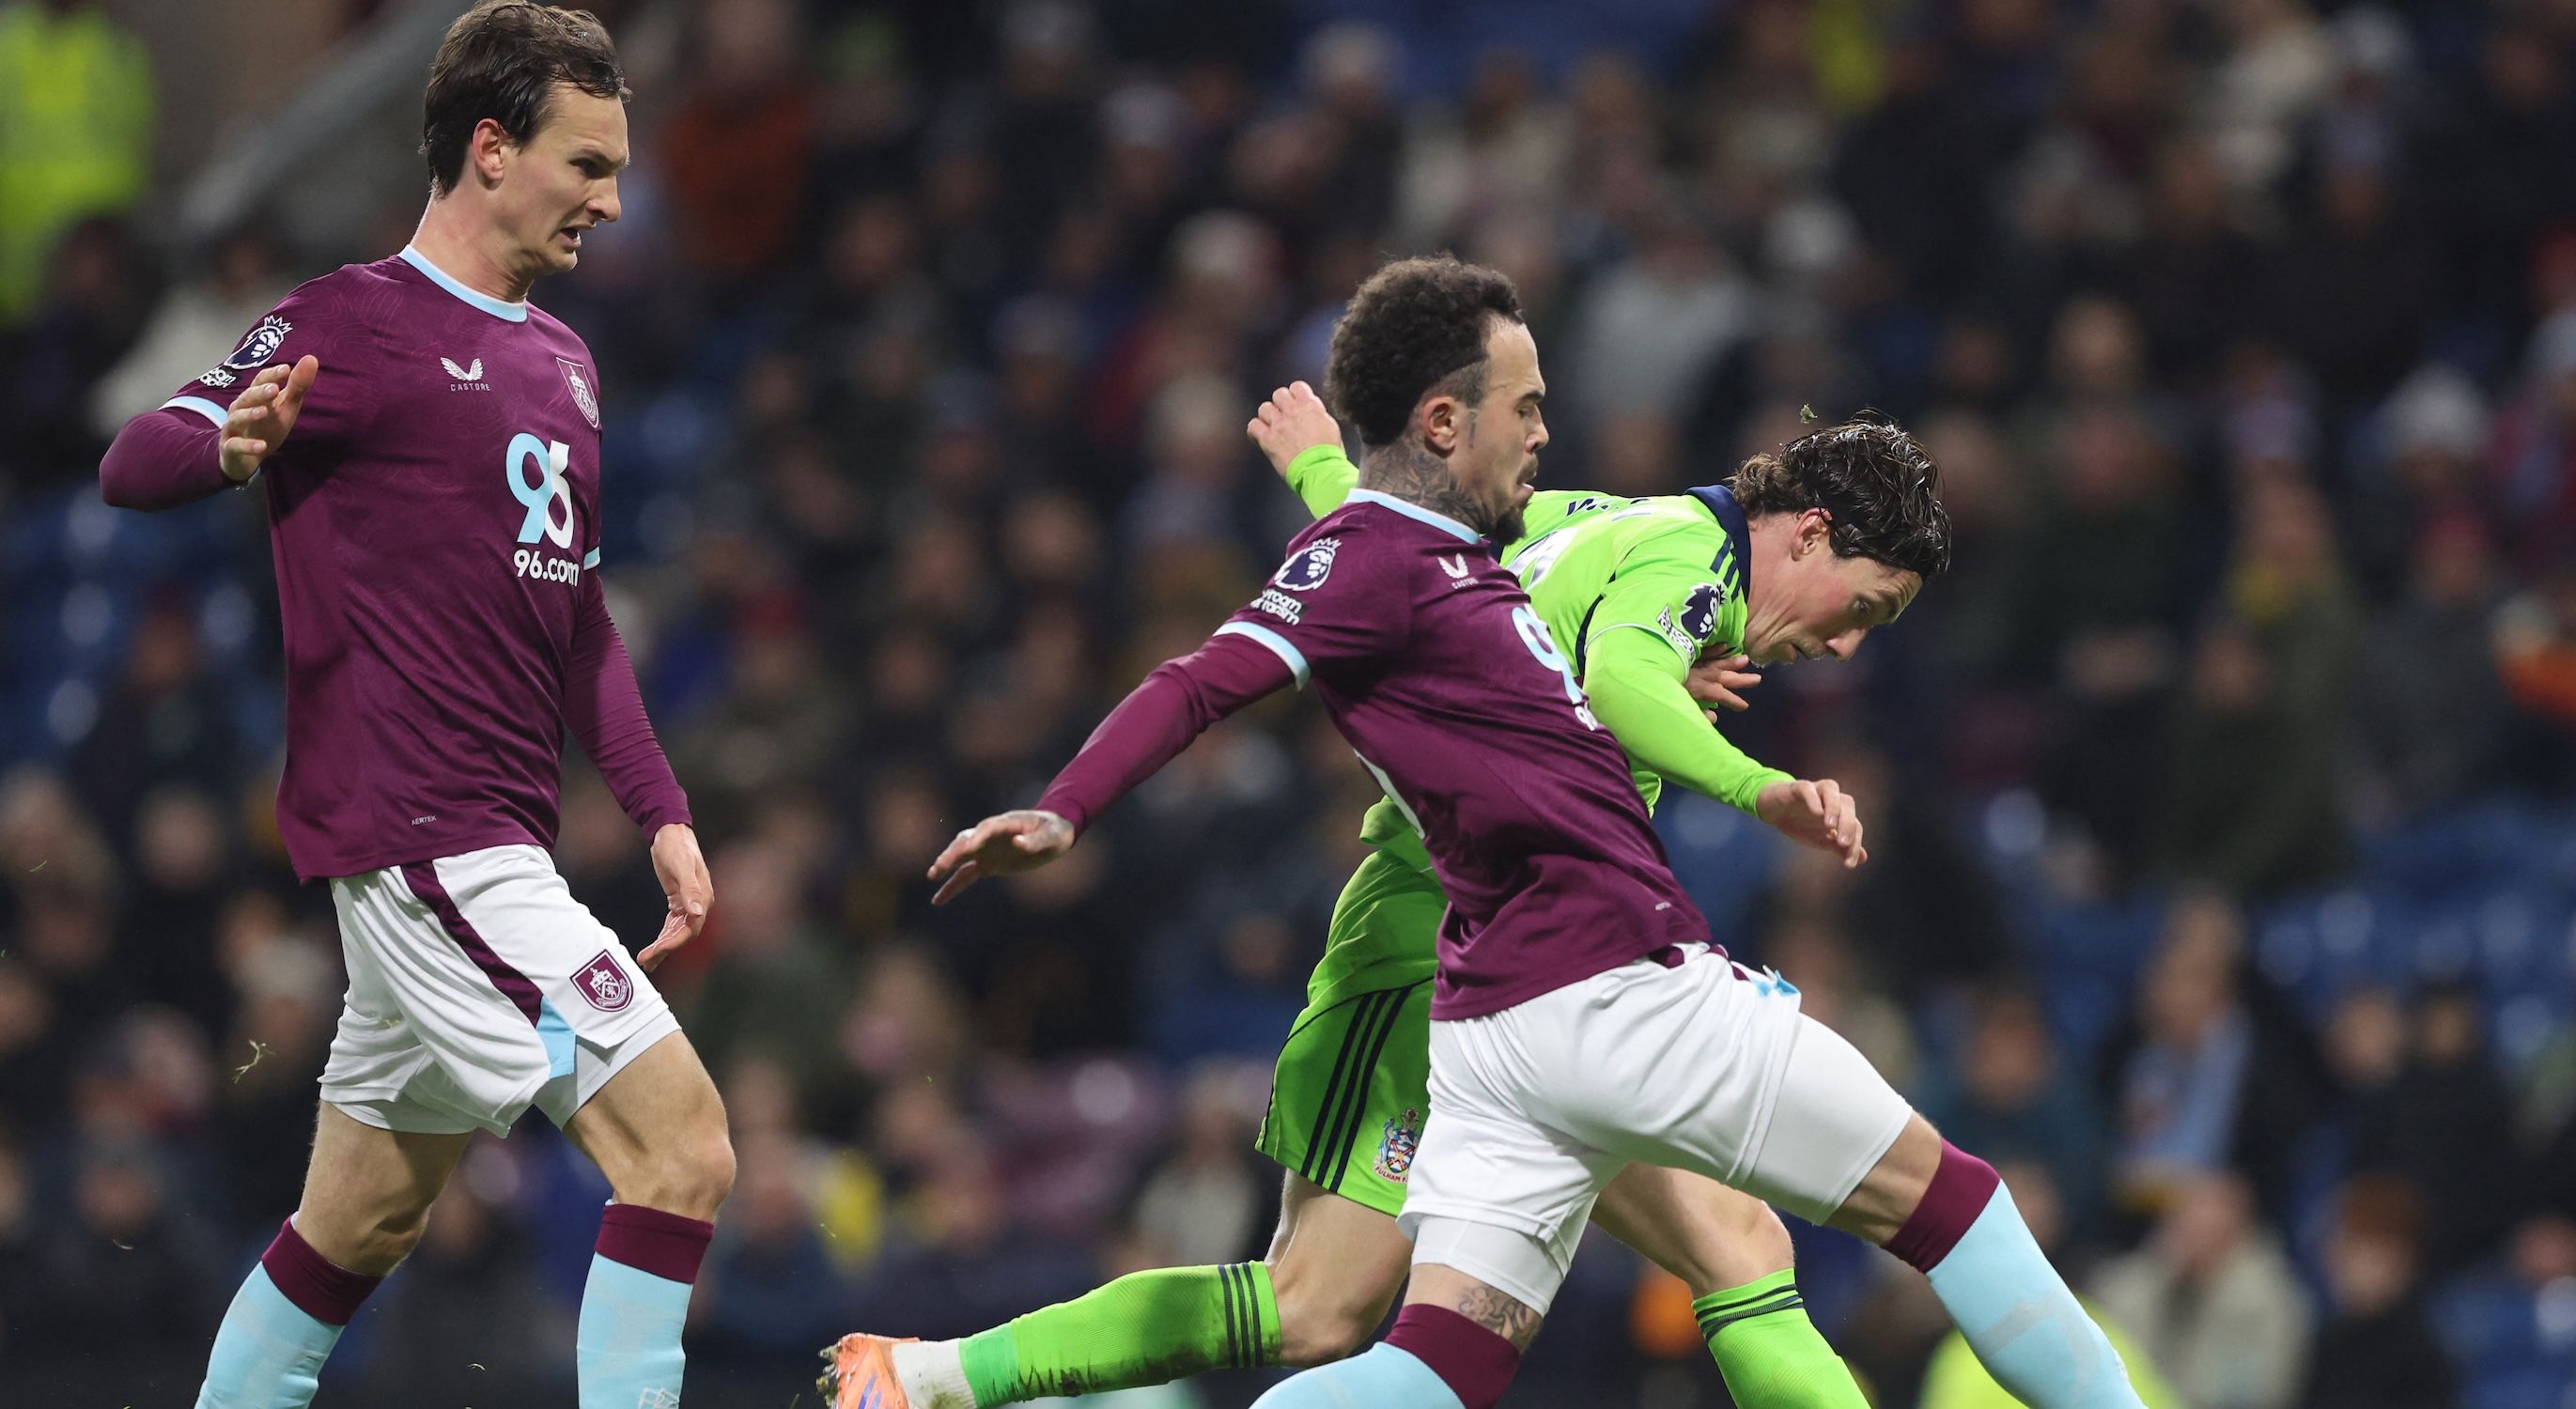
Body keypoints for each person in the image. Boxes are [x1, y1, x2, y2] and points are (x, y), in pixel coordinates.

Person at [834, 256, 2136, 1409]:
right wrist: (1759, 787)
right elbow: (1467, 620)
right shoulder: (1675, 563)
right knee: (1323, 1307)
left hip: (1496, 1004)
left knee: (1466, 1320)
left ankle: (923, 1379)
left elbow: (1419, 552)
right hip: (1465, 949)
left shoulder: (1564, 526)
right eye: (1869, 605)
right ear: (1808, 535)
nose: (1850, 644)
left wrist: (1315, 470)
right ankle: (937, 1377)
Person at [94, 5, 731, 1406]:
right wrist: (226, 444)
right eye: (587, 163)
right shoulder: (349, 320)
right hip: (425, 837)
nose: (615, 200)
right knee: (682, 1146)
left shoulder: (566, 367)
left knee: (356, 1227)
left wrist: (660, 809)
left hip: (487, 846)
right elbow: (137, 455)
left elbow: (577, 623)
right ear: (491, 150)